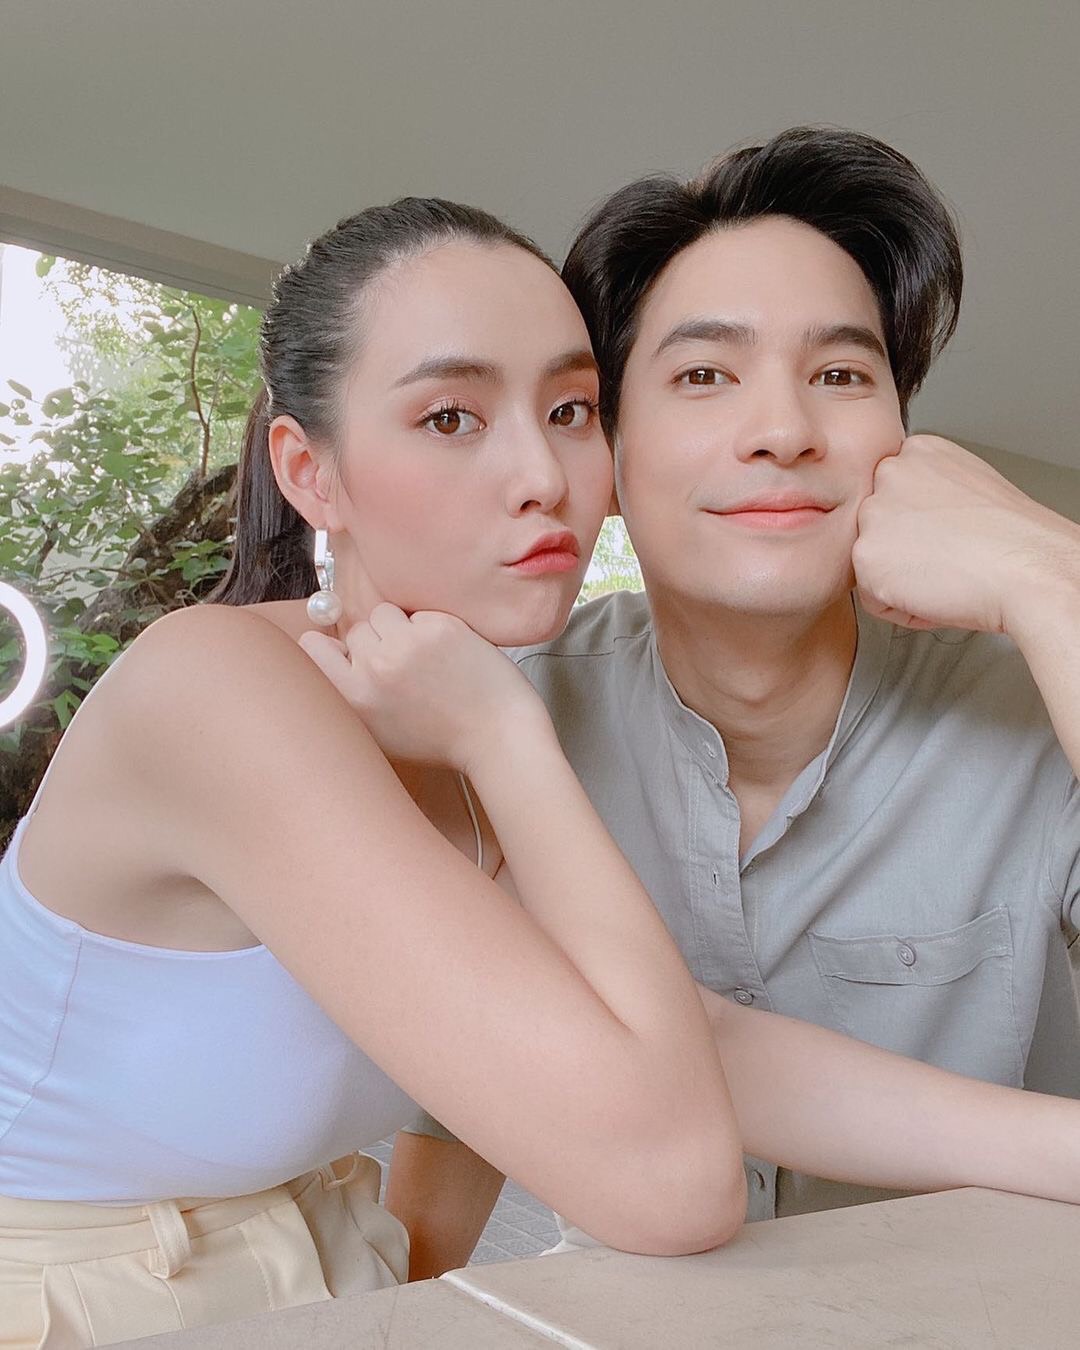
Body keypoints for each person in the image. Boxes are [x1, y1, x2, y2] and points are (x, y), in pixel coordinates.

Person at [0, 198, 749, 1348]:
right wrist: (509, 741)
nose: (543, 475)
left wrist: (1037, 1144)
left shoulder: (440, 706)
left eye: (570, 410)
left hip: (317, 1273)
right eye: (451, 416)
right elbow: (672, 1185)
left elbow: (681, 1042)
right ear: (311, 473)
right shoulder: (217, 687)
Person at [392, 126, 1080, 1271]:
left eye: (841, 376)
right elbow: (452, 1122)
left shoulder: (1037, 700)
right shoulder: (493, 715)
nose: (783, 433)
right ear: (606, 449)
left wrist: (1051, 575)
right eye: (705, 375)